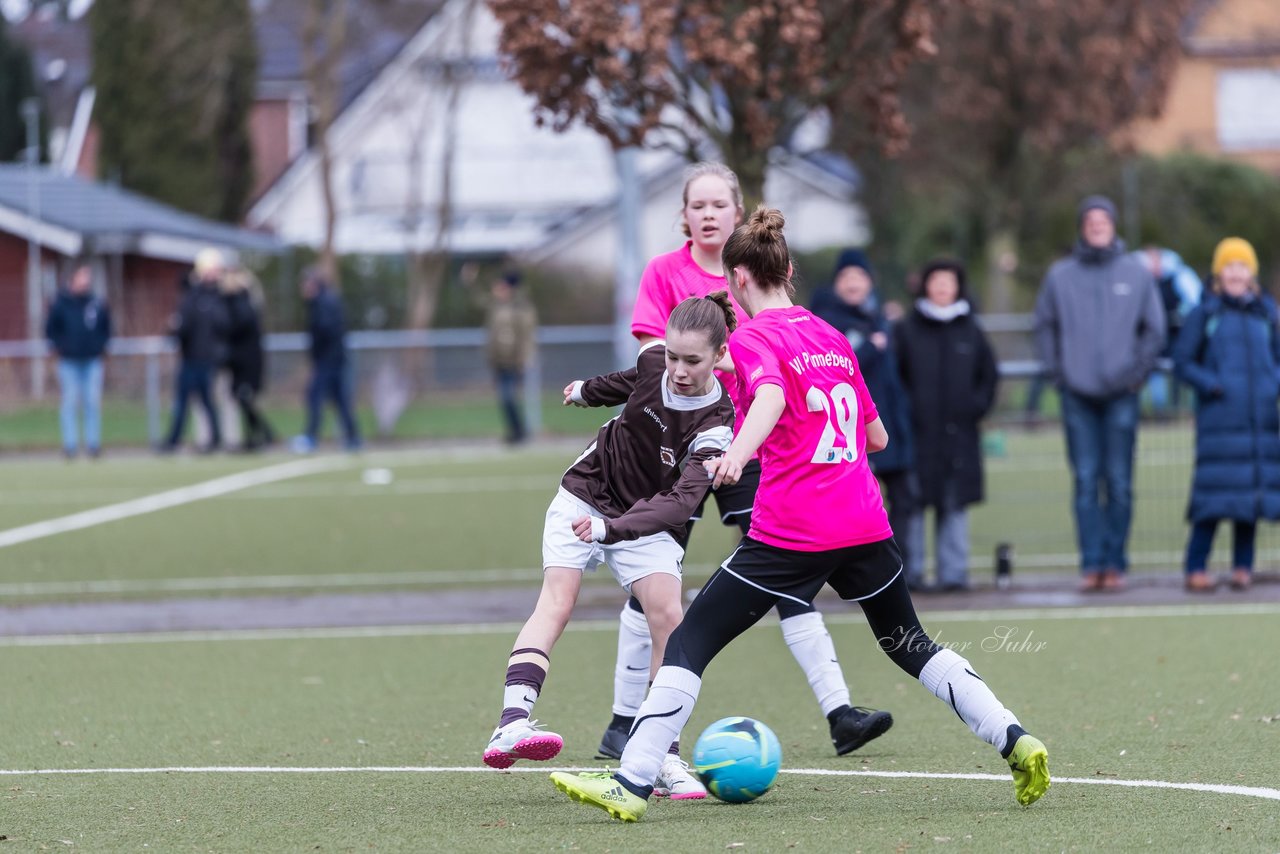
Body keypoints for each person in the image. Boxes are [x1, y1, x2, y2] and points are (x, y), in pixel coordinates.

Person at [551, 207, 1049, 822]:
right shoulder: (831, 336)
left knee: (688, 643)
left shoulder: (757, 338)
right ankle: (1014, 737)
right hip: (866, 522)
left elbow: (770, 393)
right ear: (788, 270)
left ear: (737, 277)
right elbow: (878, 438)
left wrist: (739, 449)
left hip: (794, 531)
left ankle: (628, 784)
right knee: (910, 642)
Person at [596, 162, 889, 764]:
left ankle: (839, 711)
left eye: (717, 205)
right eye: (695, 204)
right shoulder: (663, 273)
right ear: (683, 215)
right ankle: (623, 721)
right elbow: (655, 359)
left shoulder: (750, 278)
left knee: (782, 562)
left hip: (752, 441)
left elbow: (783, 370)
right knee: (650, 574)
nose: (706, 213)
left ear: (737, 213)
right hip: (675, 444)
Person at [483, 294, 739, 800]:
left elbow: (680, 502)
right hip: (584, 494)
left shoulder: (718, 421)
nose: (679, 370)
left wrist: (612, 530)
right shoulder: (653, 363)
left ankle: (660, 755)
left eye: (693, 361)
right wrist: (582, 392)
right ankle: (511, 722)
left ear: (719, 355)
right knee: (557, 601)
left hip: (641, 520)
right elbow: (624, 382)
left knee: (669, 617)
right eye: (673, 357)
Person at [1033, 195, 1165, 592]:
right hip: (1077, 396)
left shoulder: (1137, 273)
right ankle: (1091, 565)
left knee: (1120, 482)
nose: (1096, 225)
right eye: (1089, 220)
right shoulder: (1060, 275)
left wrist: (1136, 374)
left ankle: (1116, 564)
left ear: (1113, 225)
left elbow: (1155, 329)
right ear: (1082, 227)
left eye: (1102, 219)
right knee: (1087, 481)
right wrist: (1059, 374)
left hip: (1123, 394)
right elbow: (1044, 326)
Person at [1171, 238, 1279, 593]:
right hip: (1219, 423)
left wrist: (1270, 385)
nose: (1236, 273)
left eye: (1242, 266)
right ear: (1219, 273)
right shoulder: (1205, 314)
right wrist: (1212, 386)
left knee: (1251, 499)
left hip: (1259, 422)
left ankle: (1242, 568)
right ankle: (1195, 566)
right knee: (1212, 500)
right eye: (1229, 266)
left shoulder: (1267, 314)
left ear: (1252, 274)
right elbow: (1183, 362)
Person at [811, 247, 916, 578]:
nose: (853, 283)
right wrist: (871, 345)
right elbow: (838, 371)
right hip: (850, 430)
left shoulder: (879, 317)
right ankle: (853, 573)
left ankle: (900, 569)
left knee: (903, 497)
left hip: (889, 428)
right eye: (846, 277)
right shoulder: (827, 322)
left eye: (859, 276)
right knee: (852, 505)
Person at [895, 259, 998, 592]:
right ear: (925, 284)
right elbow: (894, 378)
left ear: (958, 286)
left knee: (954, 503)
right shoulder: (906, 330)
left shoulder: (971, 329)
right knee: (911, 503)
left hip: (960, 436)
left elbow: (989, 376)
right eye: (936, 280)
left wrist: (975, 407)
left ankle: (953, 573)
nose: (942, 287)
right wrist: (906, 414)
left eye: (948, 281)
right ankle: (909, 573)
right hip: (916, 435)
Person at [161, 248, 230, 453]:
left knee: (208, 403)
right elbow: (183, 326)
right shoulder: (192, 296)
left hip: (207, 359)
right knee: (183, 403)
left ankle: (215, 440)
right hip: (190, 358)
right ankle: (173, 441)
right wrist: (174, 330)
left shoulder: (219, 298)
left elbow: (225, 326)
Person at [45, 263, 111, 459]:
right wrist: (60, 346)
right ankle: (70, 446)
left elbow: (106, 328)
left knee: (92, 402)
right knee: (70, 402)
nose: (86, 281)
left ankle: (93, 445)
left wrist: (101, 346)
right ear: (72, 280)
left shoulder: (96, 303)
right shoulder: (60, 303)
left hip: (92, 360)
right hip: (69, 361)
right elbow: (50, 329)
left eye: (87, 277)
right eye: (82, 277)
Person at [293, 269, 361, 453]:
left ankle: (311, 437)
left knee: (315, 397)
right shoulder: (327, 300)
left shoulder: (322, 303)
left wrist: (319, 358)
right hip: (334, 359)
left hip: (328, 361)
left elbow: (326, 332)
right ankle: (353, 437)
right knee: (341, 400)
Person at [1138, 246, 1203, 417]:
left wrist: (1180, 315)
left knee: (1179, 372)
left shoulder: (1179, 276)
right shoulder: (1141, 279)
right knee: (1151, 373)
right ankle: (1156, 412)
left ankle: (1178, 409)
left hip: (1176, 336)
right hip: (1151, 338)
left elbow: (1194, 301)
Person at [222, 267, 275, 451]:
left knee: (245, 398)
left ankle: (264, 434)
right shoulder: (231, 301)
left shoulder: (245, 302)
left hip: (247, 362)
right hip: (237, 361)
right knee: (241, 398)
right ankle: (260, 435)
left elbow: (239, 325)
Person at [485, 270, 538, 444]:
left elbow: (525, 335)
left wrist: (524, 359)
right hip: (499, 360)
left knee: (508, 396)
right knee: (504, 398)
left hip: (514, 361)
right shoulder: (497, 305)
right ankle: (515, 432)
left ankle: (519, 432)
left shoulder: (520, 307)